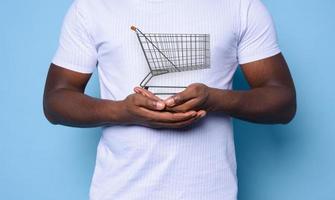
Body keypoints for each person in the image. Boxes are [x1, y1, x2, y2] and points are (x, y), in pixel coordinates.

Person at [43, 0, 296, 199]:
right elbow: (56, 101)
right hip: (119, 192)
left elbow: (283, 102)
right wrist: (123, 111)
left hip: (212, 193)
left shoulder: (241, 7)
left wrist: (215, 99)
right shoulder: (91, 7)